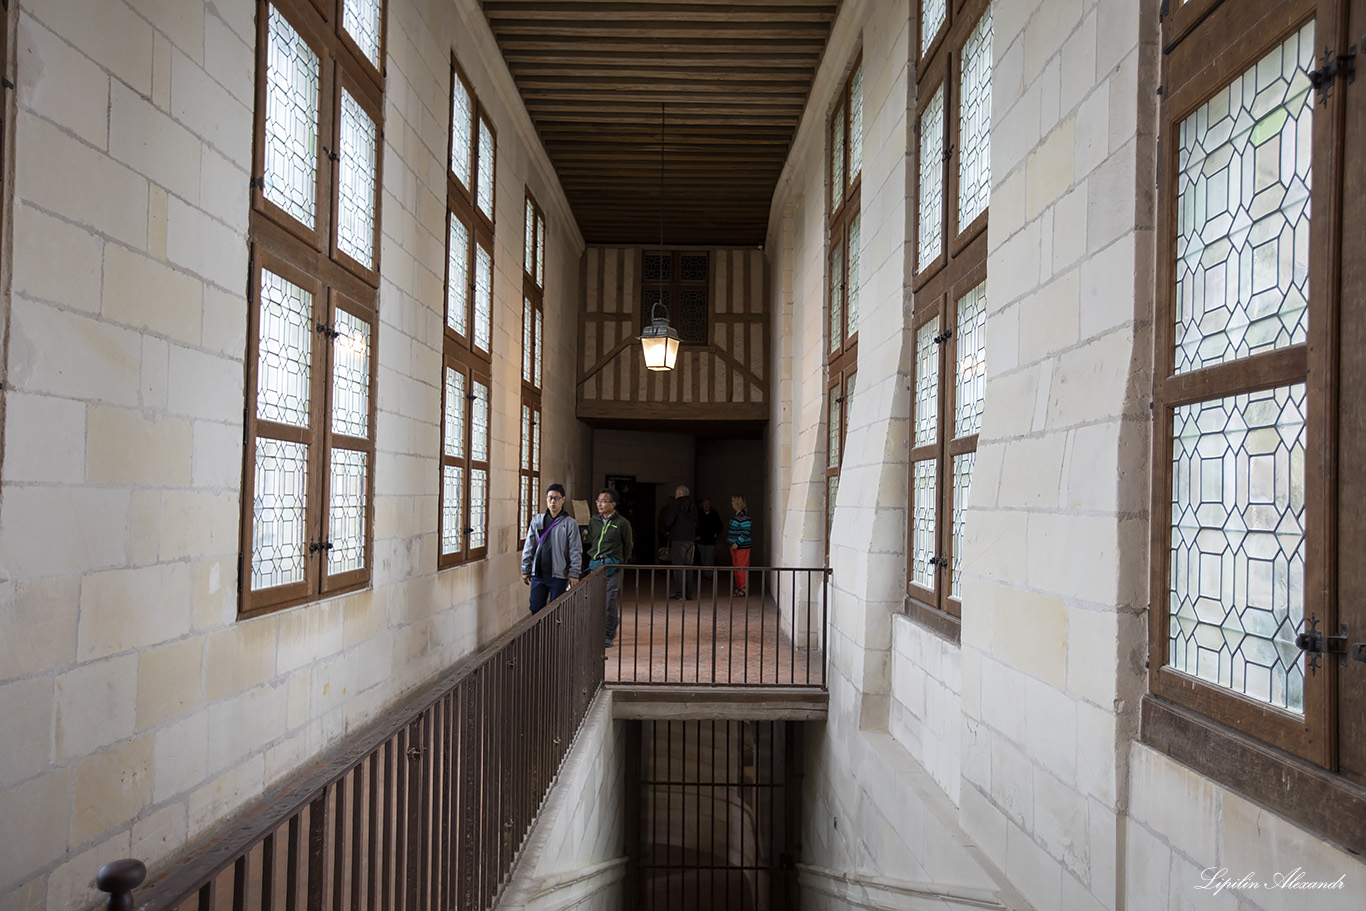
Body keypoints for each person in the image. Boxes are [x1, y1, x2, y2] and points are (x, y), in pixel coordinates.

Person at [521, 483, 582, 614]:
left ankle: (554, 635)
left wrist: (574, 573)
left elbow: (575, 550)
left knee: (556, 611)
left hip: (558, 575)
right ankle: (539, 635)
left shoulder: (570, 523)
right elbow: (529, 545)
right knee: (536, 608)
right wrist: (525, 568)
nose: (553, 501)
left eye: (556, 498)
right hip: (538, 573)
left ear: (563, 500)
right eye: (550, 498)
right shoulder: (537, 520)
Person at [588, 488, 634, 647]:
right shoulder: (593, 521)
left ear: (613, 504)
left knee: (608, 602)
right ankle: (598, 630)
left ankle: (608, 634)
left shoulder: (622, 523)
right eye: (598, 501)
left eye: (604, 501)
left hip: (613, 567)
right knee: (595, 602)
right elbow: (592, 542)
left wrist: (621, 562)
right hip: (595, 566)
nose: (599, 504)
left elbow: (628, 545)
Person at [660, 484, 698, 599]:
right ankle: (688, 593)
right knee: (689, 567)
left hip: (678, 539)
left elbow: (668, 521)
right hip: (690, 540)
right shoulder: (693, 505)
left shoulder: (674, 505)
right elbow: (696, 522)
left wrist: (668, 531)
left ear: (679, 494)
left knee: (679, 567)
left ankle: (680, 593)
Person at [728, 495, 752, 595]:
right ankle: (740, 586)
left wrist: (737, 542)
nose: (731, 503)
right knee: (737, 567)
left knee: (741, 567)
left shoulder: (744, 517)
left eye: (733, 501)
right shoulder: (737, 516)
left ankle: (744, 588)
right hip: (734, 547)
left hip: (741, 547)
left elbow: (746, 532)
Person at [696, 498, 723, 580]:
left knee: (709, 558)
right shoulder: (698, 514)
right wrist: (696, 535)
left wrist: (716, 534)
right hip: (701, 540)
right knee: (702, 559)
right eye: (705, 504)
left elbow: (720, 525)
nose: (706, 505)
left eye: (708, 504)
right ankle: (704, 573)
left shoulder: (714, 514)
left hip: (711, 540)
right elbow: (694, 525)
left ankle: (709, 575)